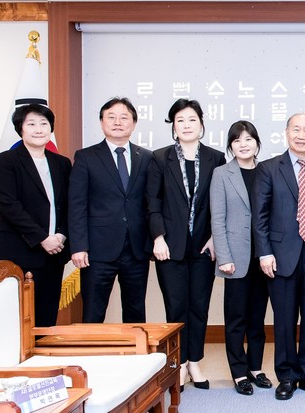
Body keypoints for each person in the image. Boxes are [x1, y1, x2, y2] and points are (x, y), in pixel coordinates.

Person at [252, 113, 305, 400]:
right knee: (284, 319)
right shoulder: (268, 168)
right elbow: (259, 216)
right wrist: (264, 252)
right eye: (296, 129)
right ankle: (287, 376)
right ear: (287, 133)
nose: (302, 135)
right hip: (280, 254)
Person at [146, 99, 225, 390]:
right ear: (174, 126)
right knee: (176, 307)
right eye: (180, 120)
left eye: (192, 120)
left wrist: (216, 237)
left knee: (199, 307)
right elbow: (152, 202)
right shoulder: (159, 158)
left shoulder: (216, 158)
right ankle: (178, 364)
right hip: (170, 246)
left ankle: (195, 362)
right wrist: (158, 237)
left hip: (204, 246)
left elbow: (221, 202)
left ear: (201, 125)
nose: (187, 125)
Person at [69, 97, 152, 323]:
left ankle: (134, 349)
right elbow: (77, 204)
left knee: (136, 313)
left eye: (124, 117)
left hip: (136, 249)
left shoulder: (146, 157)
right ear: (101, 122)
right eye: (111, 117)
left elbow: (151, 202)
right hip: (97, 251)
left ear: (133, 124)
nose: (118, 122)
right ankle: (92, 349)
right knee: (93, 313)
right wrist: (79, 246)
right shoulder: (86, 157)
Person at [0, 103, 71, 327]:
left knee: (46, 318)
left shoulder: (62, 163)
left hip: (54, 254)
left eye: (44, 123)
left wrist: (61, 235)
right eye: (32, 124)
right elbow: (10, 206)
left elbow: (70, 205)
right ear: (21, 128)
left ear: (51, 128)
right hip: (18, 252)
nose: (39, 129)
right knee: (15, 319)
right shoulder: (6, 161)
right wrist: (42, 238)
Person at [210, 120, 272, 396]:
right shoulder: (222, 174)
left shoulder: (268, 171)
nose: (243, 144)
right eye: (237, 140)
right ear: (230, 146)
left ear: (257, 143)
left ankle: (255, 368)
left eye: (248, 139)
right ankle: (238, 372)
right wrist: (223, 256)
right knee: (236, 319)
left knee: (258, 318)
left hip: (264, 257)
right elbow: (218, 218)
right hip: (234, 258)